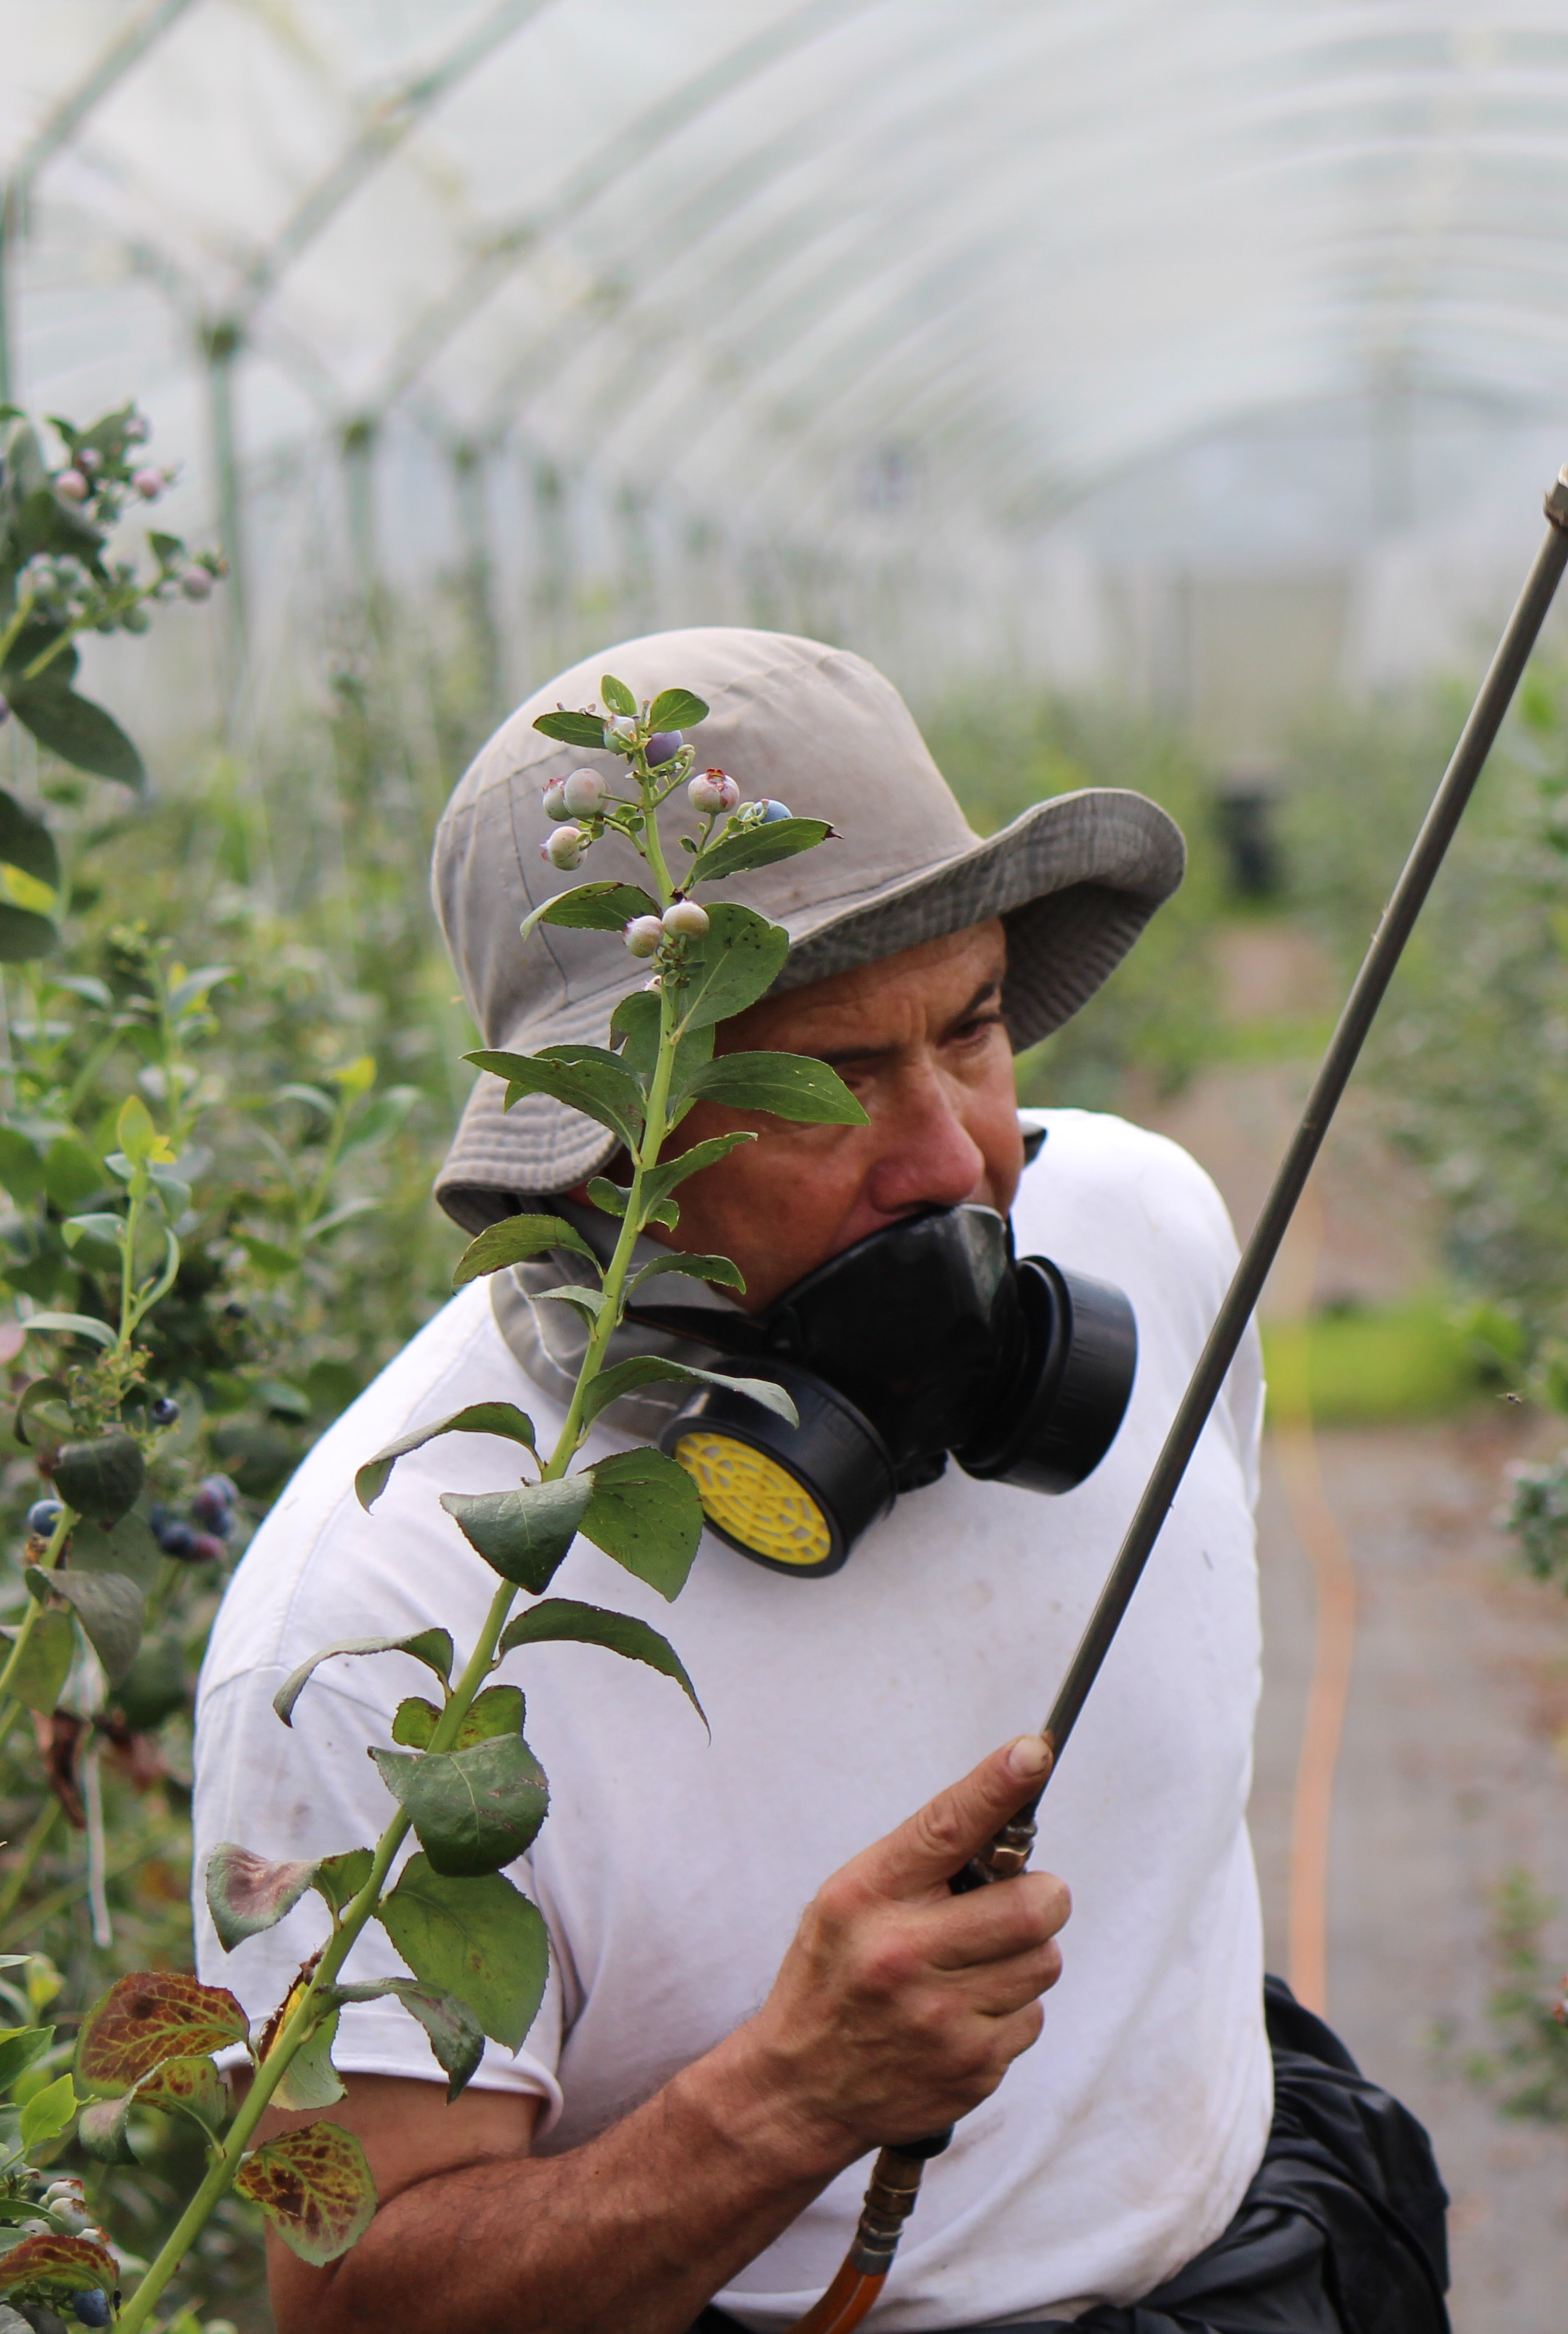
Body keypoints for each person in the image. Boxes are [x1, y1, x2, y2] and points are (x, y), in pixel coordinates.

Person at [185, 630, 1449, 2334]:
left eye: (977, 1027)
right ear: (601, 1145)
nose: (961, 1161)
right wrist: (784, 2098)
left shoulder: (1140, 1233)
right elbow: (354, 2306)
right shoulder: (380, 1634)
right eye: (834, 1082)